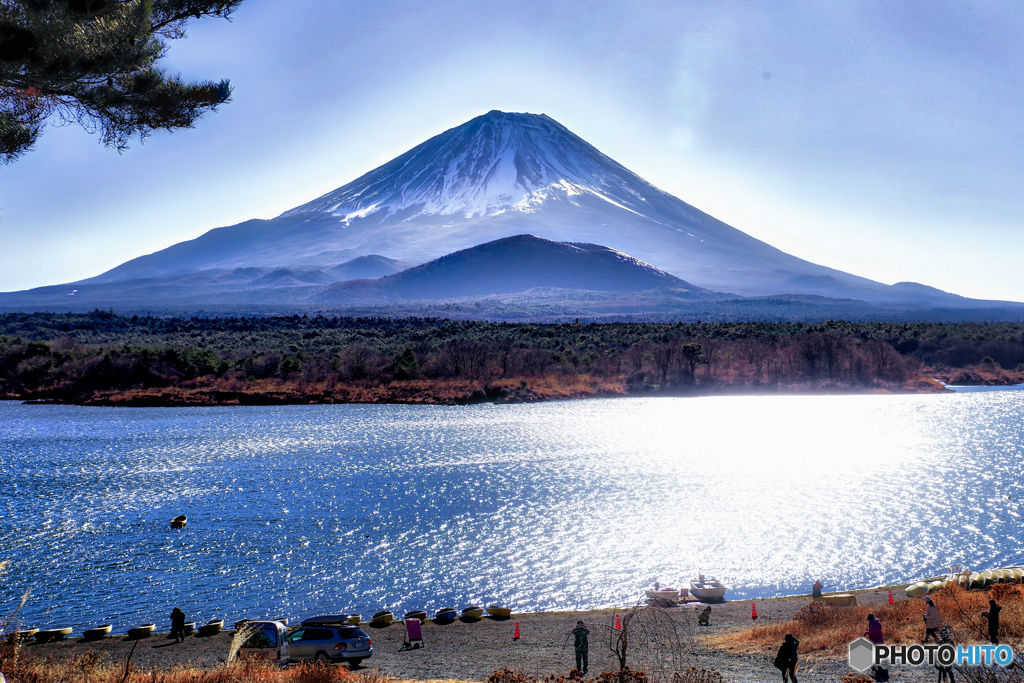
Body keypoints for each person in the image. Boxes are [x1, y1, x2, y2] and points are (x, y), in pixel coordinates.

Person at [864, 614, 887, 683]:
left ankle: (873, 666)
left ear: (869, 619)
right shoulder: (877, 623)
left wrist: (866, 632)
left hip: (874, 641)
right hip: (880, 641)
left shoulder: (872, 625)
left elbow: (871, 633)